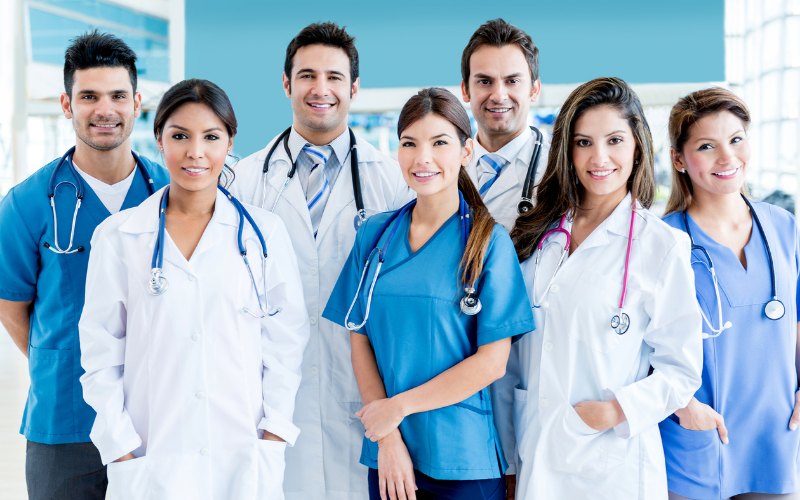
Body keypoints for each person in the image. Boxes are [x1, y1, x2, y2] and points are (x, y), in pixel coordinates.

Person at [78, 79, 309, 500]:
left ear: (229, 142)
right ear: (159, 140)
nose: (195, 152)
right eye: (180, 136)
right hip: (152, 456)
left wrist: (274, 433)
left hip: (243, 456)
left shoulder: (263, 235)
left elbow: (286, 344)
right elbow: (100, 353)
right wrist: (121, 446)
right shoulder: (119, 237)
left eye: (211, 137)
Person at [323, 87, 534, 500]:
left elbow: (492, 362)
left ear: (466, 151)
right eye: (409, 144)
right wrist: (386, 437)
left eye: (439, 143)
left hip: (462, 457)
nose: (423, 158)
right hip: (389, 458)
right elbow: (359, 337)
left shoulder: (488, 243)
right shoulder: (374, 237)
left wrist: (396, 409)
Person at [230, 22, 411, 500]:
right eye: (307, 75)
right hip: (268, 400)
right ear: (286, 84)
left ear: (354, 88)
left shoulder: (392, 182)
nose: (321, 89)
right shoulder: (244, 182)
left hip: (360, 394)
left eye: (334, 77)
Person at [501, 77, 702, 499]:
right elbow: (515, 352)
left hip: (613, 463)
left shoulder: (660, 246)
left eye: (614, 140)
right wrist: (506, 456)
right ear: (568, 151)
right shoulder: (539, 235)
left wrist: (615, 411)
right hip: (534, 453)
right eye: (584, 142)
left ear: (637, 147)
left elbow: (681, 371)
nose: (600, 157)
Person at [0, 31, 168, 500]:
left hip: (155, 414)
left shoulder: (169, 194)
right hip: (65, 417)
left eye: (117, 95)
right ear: (67, 104)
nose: (105, 109)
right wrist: (58, 360)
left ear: (137, 103)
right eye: (89, 96)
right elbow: (12, 303)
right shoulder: (28, 203)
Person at [660, 88, 800, 500]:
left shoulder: (785, 227)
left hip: (774, 438)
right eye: (707, 146)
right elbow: (639, 346)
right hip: (696, 441)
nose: (727, 157)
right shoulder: (664, 240)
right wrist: (682, 405)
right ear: (679, 160)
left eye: (736, 139)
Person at [460, 18, 549, 231]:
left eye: (512, 81)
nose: (499, 96)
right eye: (485, 81)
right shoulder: (445, 165)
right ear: (465, 90)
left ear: (534, 90)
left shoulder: (557, 169)